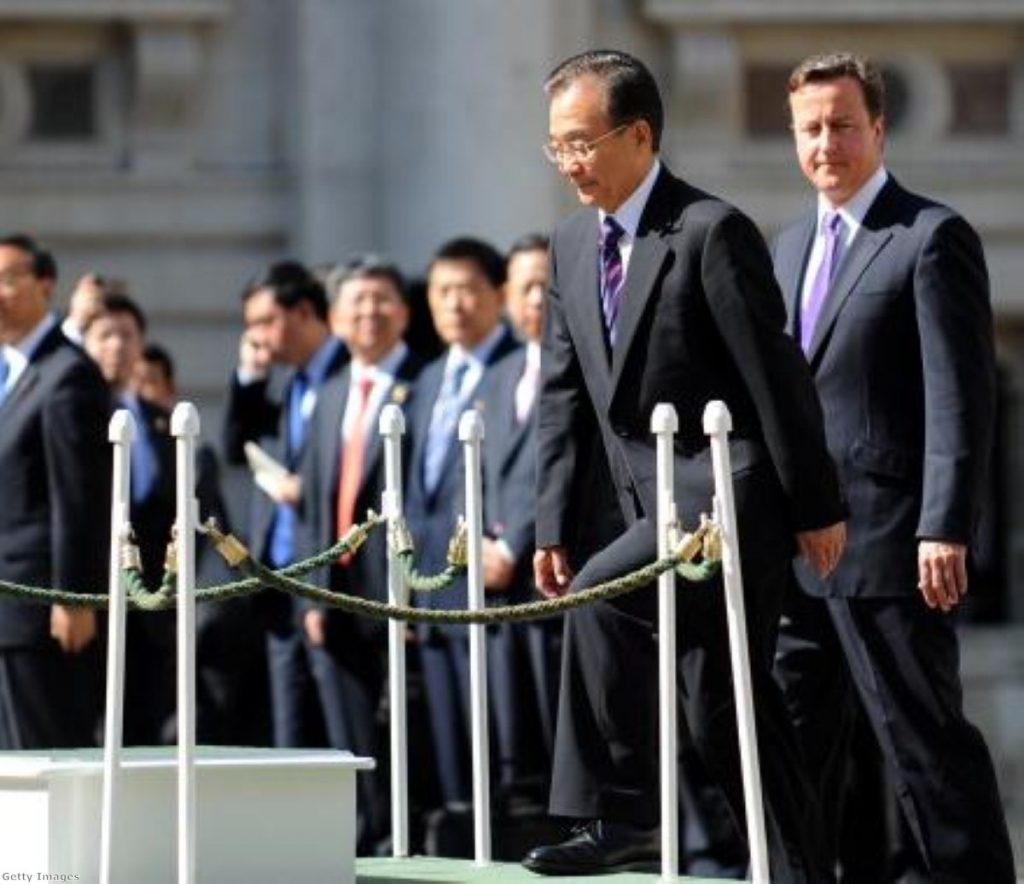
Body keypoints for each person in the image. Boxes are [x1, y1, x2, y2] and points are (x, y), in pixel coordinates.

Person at [521, 50, 846, 882]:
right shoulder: (567, 245)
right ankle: (796, 865)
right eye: (556, 147)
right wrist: (552, 522)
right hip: (647, 504)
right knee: (726, 698)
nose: (569, 164)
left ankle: (622, 816)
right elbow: (564, 398)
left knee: (602, 603)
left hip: (729, 500)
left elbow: (779, 380)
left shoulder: (709, 230)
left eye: (582, 143)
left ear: (638, 133)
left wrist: (815, 508)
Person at [771, 51, 1015, 883]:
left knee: (923, 750)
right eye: (811, 128)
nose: (826, 143)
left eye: (843, 124)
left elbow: (961, 397)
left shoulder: (930, 236)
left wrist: (944, 524)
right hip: (800, 559)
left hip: (892, 550)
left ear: (878, 126)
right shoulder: (786, 244)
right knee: (798, 753)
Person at [298, 254, 423, 852]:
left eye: (382, 300)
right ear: (335, 317)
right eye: (357, 303)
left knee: (409, 727)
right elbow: (314, 504)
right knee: (350, 733)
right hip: (336, 591)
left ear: (403, 311)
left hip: (399, 592)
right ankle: (365, 836)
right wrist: (310, 594)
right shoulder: (326, 394)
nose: (369, 313)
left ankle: (409, 834)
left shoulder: (424, 385)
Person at [404, 237, 520, 812]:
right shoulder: (426, 380)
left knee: (497, 746)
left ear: (498, 296)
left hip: (492, 589)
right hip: (430, 588)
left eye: (468, 290)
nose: (455, 304)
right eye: (442, 291)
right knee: (450, 751)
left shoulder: (517, 368)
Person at [222, 261, 348, 748]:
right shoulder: (284, 380)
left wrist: (308, 486)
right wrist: (249, 377)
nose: (258, 337)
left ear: (303, 312)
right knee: (289, 723)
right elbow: (236, 447)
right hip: (277, 575)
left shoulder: (345, 370)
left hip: (328, 573)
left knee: (338, 720)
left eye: (264, 321)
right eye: (250, 325)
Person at [0, 233, 110, 748]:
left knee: (42, 750)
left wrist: (74, 596)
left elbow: (78, 499)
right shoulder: (11, 372)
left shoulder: (66, 374)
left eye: (7, 279)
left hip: (37, 610)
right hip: (7, 607)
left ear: (45, 285)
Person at [478, 233, 557, 798]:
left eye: (547, 286)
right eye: (525, 287)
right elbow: (480, 469)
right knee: (511, 736)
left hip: (554, 576)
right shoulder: (499, 375)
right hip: (499, 586)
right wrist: (483, 539)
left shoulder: (585, 368)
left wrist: (513, 547)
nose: (537, 299)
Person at [83, 293, 177, 745]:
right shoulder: (73, 411)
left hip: (152, 605)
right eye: (104, 335)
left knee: (145, 727)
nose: (116, 346)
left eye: (127, 335)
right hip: (91, 597)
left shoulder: (164, 422)